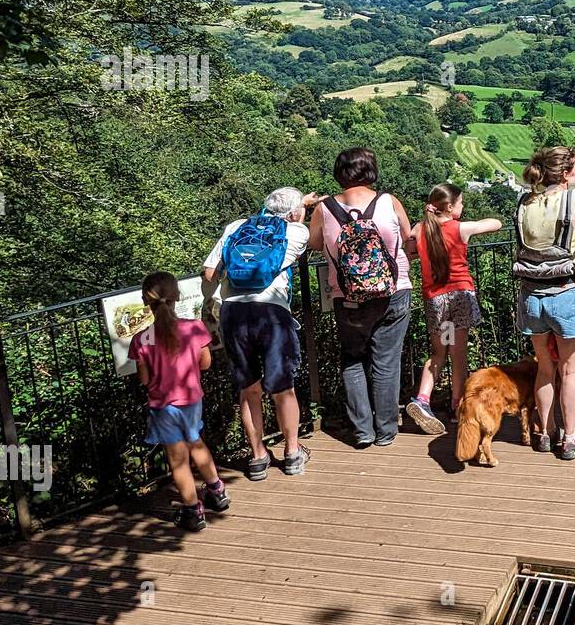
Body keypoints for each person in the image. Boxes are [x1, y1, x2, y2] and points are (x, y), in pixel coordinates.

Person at [307, 147, 414, 450]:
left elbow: (315, 244)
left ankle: (363, 431)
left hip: (348, 297)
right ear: (371, 171)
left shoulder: (324, 209)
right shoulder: (388, 202)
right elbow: (409, 238)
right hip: (393, 291)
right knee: (386, 361)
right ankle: (386, 431)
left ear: (339, 173)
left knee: (353, 359)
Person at [512, 146, 575, 461]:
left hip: (531, 296)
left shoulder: (523, 203)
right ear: (569, 172)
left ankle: (545, 432)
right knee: (570, 371)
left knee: (545, 368)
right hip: (566, 293)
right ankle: (569, 439)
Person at [203, 187, 311, 479]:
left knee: (248, 389)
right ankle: (291, 452)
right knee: (282, 388)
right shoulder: (297, 232)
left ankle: (257, 457)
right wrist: (301, 212)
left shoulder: (236, 227)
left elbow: (209, 273)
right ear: (295, 212)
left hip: (233, 313)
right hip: (271, 314)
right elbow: (292, 225)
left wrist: (208, 305)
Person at [129, 272, 229, 532]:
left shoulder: (141, 339)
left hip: (163, 405)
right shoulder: (194, 327)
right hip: (192, 399)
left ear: (145, 301)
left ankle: (192, 511)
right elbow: (205, 363)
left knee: (177, 460)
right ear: (177, 297)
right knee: (195, 442)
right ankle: (217, 490)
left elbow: (145, 378)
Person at [405, 182, 502, 433]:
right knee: (458, 356)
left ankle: (422, 400)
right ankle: (457, 406)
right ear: (449, 207)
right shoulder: (461, 228)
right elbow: (496, 223)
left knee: (439, 353)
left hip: (436, 300)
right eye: (460, 203)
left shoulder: (420, 228)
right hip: (460, 297)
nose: (463, 207)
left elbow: (409, 251)